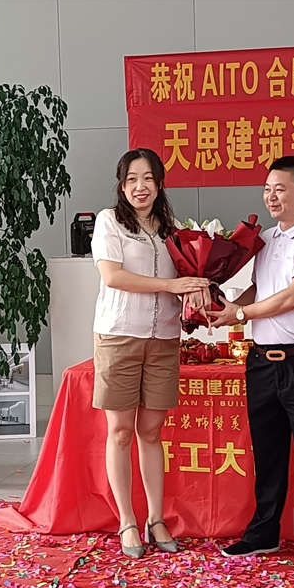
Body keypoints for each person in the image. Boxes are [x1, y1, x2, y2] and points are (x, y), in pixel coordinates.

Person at [208, 155, 294, 569]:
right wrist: (227, 307)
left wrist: (241, 314)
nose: (271, 197)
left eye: (280, 189)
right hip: (262, 361)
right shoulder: (266, 239)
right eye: (267, 189)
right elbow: (260, 289)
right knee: (267, 452)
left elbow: (293, 296)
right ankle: (263, 532)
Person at [91, 148, 209, 558]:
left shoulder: (172, 230)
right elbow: (113, 276)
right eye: (131, 180)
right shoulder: (109, 221)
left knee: (152, 432)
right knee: (120, 431)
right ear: (121, 185)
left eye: (147, 179)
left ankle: (156, 519)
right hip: (119, 336)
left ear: (159, 183)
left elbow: (186, 279)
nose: (139, 187)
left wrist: (198, 293)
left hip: (163, 339)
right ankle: (127, 520)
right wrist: (172, 286)